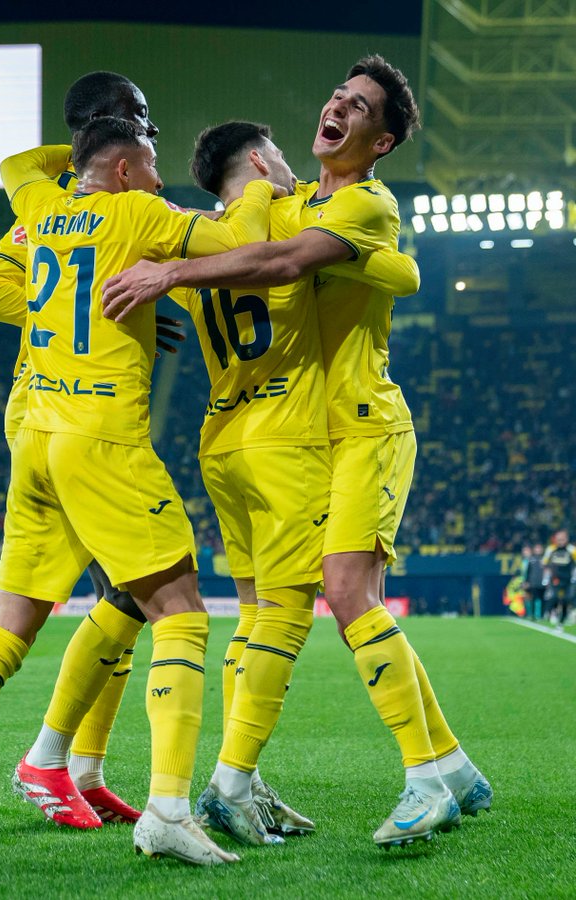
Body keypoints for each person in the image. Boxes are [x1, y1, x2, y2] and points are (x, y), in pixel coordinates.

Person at [101, 55, 493, 849]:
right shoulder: (294, 206)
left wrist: (170, 271)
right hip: (300, 432)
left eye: (359, 107)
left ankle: (423, 778)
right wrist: (393, 268)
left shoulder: (362, 203)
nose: (336, 108)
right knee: (332, 602)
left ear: (382, 143)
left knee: (342, 595)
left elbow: (280, 259)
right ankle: (447, 767)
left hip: (361, 425)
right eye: (337, 97)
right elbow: (362, 266)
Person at [0, 117, 279, 865]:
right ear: (126, 169)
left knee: (7, 628)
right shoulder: (138, 212)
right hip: (101, 438)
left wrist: (83, 155)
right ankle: (168, 810)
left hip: (35, 436)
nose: (161, 178)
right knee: (180, 612)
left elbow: (16, 162)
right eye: (150, 161)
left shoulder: (37, 204)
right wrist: (257, 187)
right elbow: (241, 244)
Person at [164, 120, 421, 847]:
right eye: (278, 156)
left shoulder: (198, 239)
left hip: (222, 439)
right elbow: (400, 276)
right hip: (284, 437)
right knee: (284, 615)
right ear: (258, 159)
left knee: (250, 615)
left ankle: (240, 781)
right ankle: (230, 783)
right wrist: (384, 260)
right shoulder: (284, 220)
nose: (291, 168)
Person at [0, 69, 163, 829]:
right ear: (106, 125)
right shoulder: (45, 210)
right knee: (125, 591)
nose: (150, 126)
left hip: (78, 411)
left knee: (125, 594)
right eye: (136, 116)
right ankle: (52, 764)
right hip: (53, 413)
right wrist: (77, 306)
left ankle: (79, 767)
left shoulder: (90, 205)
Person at [542, 530, 576, 627]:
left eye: (562, 539)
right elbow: (544, 563)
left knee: (567, 599)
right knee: (554, 597)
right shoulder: (551, 549)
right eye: (559, 539)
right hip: (555, 578)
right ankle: (552, 613)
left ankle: (562, 619)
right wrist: (546, 578)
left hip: (568, 579)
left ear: (566, 539)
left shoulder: (572, 550)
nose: (560, 541)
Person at [521, 542, 546, 620]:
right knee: (533, 599)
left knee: (543, 599)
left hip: (543, 583)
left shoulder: (545, 559)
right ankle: (532, 614)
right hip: (533, 583)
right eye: (537, 548)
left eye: (539, 548)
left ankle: (541, 615)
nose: (538, 550)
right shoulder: (531, 560)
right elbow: (528, 572)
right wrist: (527, 581)